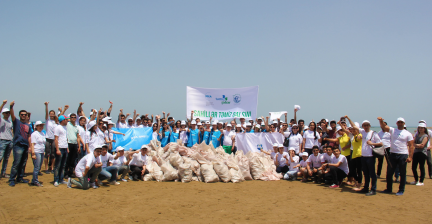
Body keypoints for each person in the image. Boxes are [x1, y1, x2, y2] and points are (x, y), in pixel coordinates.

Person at [378, 117, 414, 196]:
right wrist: (381, 120)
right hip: (393, 154)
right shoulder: (393, 130)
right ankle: (389, 189)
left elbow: (411, 146)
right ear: (396, 123)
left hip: (403, 154)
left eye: (401, 122)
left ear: (404, 123)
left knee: (402, 173)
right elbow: (384, 127)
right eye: (399, 122)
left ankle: (401, 190)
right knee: (389, 173)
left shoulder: (408, 133)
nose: (400, 124)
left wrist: (410, 157)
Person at [8, 101, 32, 187]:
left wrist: (30, 147)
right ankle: (12, 179)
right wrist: (11, 107)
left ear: (26, 116)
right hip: (18, 145)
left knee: (23, 163)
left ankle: (20, 178)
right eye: (22, 114)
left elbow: (29, 136)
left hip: (25, 146)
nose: (23, 115)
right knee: (16, 163)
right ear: (19, 115)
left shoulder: (28, 125)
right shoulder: (16, 122)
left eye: (25, 114)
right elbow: (12, 115)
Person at [53, 115, 69, 187]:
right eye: (66, 120)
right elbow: (56, 139)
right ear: (63, 120)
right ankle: (56, 180)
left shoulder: (65, 128)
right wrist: (57, 149)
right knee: (58, 165)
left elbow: (66, 138)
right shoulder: (58, 128)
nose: (67, 121)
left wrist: (67, 148)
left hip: (65, 147)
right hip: (60, 148)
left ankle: (61, 179)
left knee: (63, 165)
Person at [64, 113, 82, 179]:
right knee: (67, 159)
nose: (73, 118)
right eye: (72, 117)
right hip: (69, 143)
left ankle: (71, 173)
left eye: (74, 117)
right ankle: (65, 173)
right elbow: (61, 118)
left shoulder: (77, 126)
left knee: (73, 159)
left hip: (75, 144)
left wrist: (79, 146)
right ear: (70, 118)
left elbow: (78, 137)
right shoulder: (67, 124)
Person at [30, 121, 46, 187]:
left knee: (38, 167)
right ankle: (35, 181)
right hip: (36, 152)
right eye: (39, 125)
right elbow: (32, 144)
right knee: (37, 167)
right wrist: (33, 153)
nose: (41, 127)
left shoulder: (42, 133)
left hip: (41, 152)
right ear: (36, 127)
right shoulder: (34, 134)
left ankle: (34, 180)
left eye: (42, 125)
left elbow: (43, 143)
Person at [0, 100, 13, 178]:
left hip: (10, 141)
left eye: (8, 113)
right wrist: (3, 104)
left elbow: (11, 131)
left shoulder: (10, 122)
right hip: (3, 141)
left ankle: (3, 173)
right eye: (6, 113)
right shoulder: (1, 120)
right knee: (0, 157)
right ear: (3, 114)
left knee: (6, 158)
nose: (8, 114)